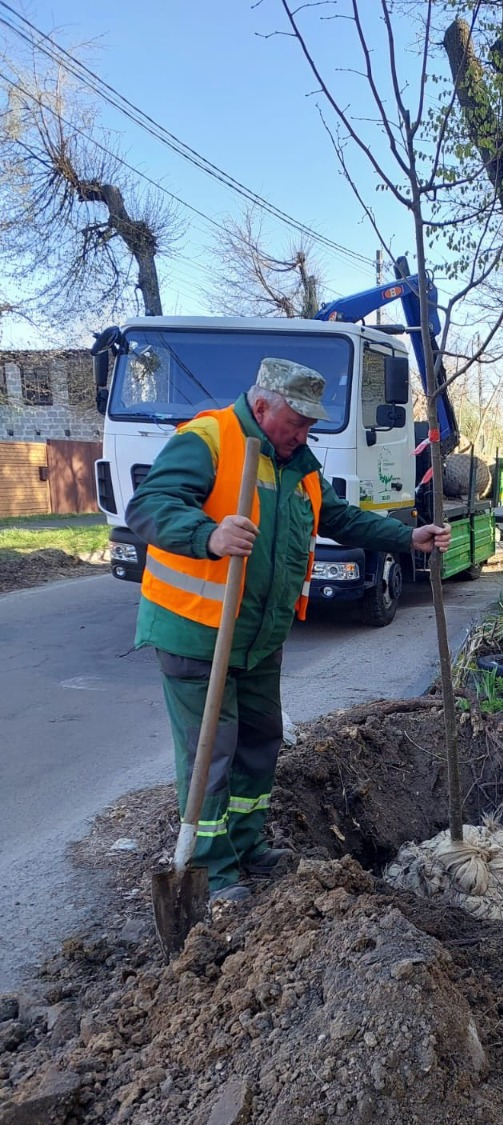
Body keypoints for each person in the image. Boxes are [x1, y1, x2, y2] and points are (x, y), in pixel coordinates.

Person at [126, 357, 451, 904]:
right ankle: (212, 873)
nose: (304, 432)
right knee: (213, 751)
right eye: (295, 421)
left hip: (259, 637)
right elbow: (149, 506)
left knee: (259, 742)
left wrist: (408, 536)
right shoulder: (208, 440)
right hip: (196, 631)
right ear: (260, 406)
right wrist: (208, 534)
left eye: (309, 424)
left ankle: (246, 846)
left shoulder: (298, 464)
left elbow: (340, 518)